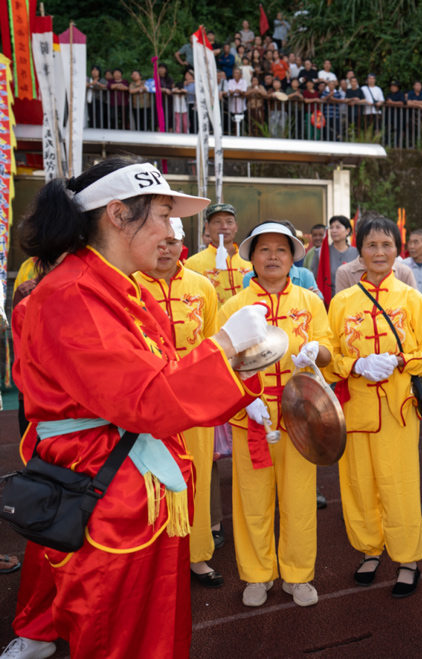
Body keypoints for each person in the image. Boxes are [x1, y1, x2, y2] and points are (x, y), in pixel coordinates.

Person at [11, 157, 268, 657]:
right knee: (122, 640)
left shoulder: (121, 289)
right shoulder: (73, 295)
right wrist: (223, 349)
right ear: (117, 214)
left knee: (156, 631)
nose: (175, 232)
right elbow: (149, 400)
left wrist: (239, 362)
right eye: (164, 215)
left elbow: (163, 376)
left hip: (136, 492)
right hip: (107, 497)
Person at [325, 215, 422, 598]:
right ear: (359, 250)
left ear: (398, 251)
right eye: (372, 245)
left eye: (387, 245)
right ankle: (369, 550)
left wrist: (400, 361)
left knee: (400, 485)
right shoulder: (341, 302)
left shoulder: (411, 299)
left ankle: (407, 558)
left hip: (398, 408)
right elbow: (329, 359)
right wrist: (354, 364)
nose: (379, 252)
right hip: (355, 409)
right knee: (359, 485)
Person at [220, 222, 334, 609]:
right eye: (264, 250)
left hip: (300, 417)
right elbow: (218, 361)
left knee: (300, 499)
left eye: (281, 250)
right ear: (251, 257)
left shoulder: (310, 301)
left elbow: (331, 353)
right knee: (252, 500)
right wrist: (242, 398)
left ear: (292, 259)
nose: (272, 257)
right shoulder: (234, 305)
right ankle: (256, 574)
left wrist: (316, 350)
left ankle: (298, 575)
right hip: (250, 417)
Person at [136, 217, 227, 591]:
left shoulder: (202, 286)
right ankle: (153, 558)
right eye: (159, 241)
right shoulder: (130, 284)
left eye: (173, 242)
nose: (166, 248)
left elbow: (212, 340)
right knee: (148, 478)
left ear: (183, 245)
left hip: (194, 398)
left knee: (198, 475)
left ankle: (198, 555)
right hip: (147, 395)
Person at [185, 203, 254, 305]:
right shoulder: (193, 264)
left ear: (236, 226)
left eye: (229, 222)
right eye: (217, 222)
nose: (224, 227)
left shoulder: (250, 259)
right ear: (207, 227)